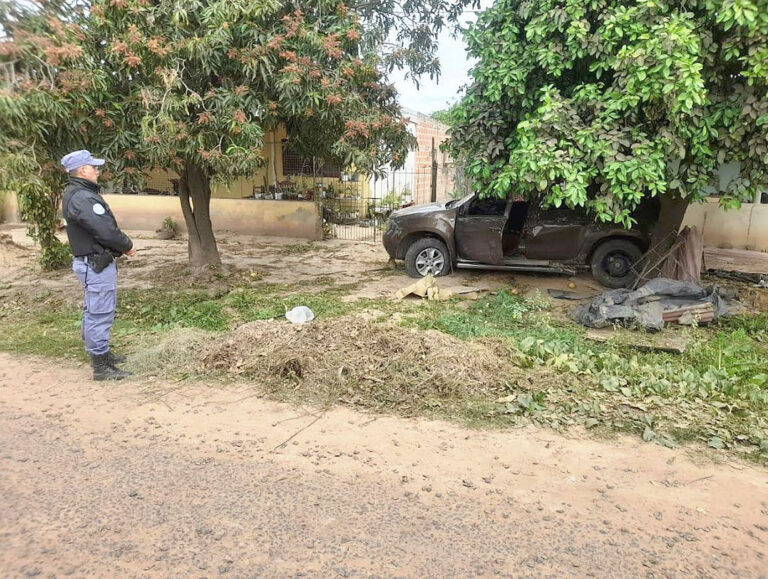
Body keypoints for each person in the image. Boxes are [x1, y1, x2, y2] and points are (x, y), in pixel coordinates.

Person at [61, 150, 135, 381]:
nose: (97, 171)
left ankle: (101, 353)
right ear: (83, 170)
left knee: (94, 309)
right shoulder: (83, 197)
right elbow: (104, 230)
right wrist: (127, 245)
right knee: (100, 311)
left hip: (90, 263)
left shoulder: (76, 193)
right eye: (94, 167)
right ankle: (101, 365)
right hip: (95, 264)